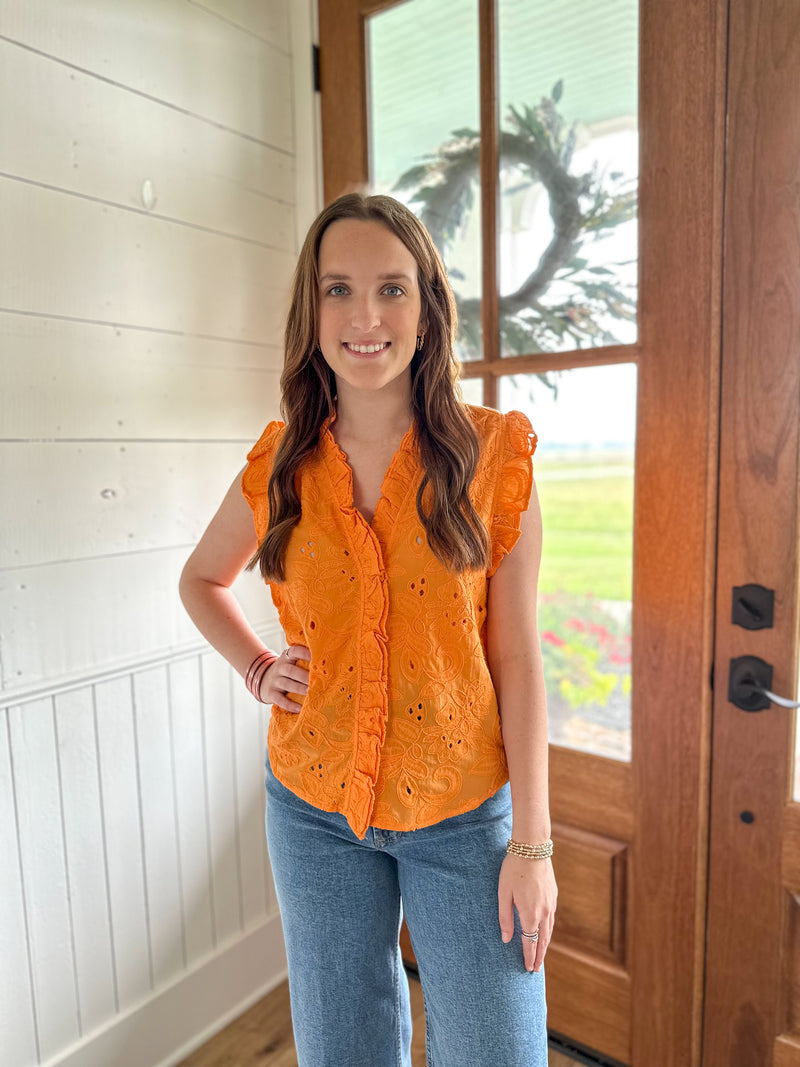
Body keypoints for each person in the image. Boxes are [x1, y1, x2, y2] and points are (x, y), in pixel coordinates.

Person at [179, 192, 557, 1066]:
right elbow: (202, 581)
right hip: (312, 810)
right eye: (338, 289)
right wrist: (257, 665)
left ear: (427, 307)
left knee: (498, 1052)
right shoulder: (280, 463)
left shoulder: (495, 456)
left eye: (391, 289)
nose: (364, 316)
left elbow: (519, 661)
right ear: (312, 312)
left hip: (465, 817)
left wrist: (532, 846)